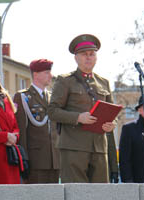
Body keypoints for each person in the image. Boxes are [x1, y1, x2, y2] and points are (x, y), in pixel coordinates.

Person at [48, 34, 118, 183]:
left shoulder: (103, 82)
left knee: (99, 193)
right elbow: (52, 111)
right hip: (74, 147)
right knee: (76, 193)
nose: (88, 57)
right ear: (76, 58)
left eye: (92, 54)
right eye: (84, 54)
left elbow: (113, 112)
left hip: (99, 148)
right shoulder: (65, 80)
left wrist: (112, 124)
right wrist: (78, 117)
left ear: (96, 57)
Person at [13, 59, 60, 183]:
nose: (51, 76)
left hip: (55, 159)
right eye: (46, 72)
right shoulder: (23, 97)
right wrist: (24, 158)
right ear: (35, 74)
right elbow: (21, 130)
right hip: (36, 160)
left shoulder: (53, 97)